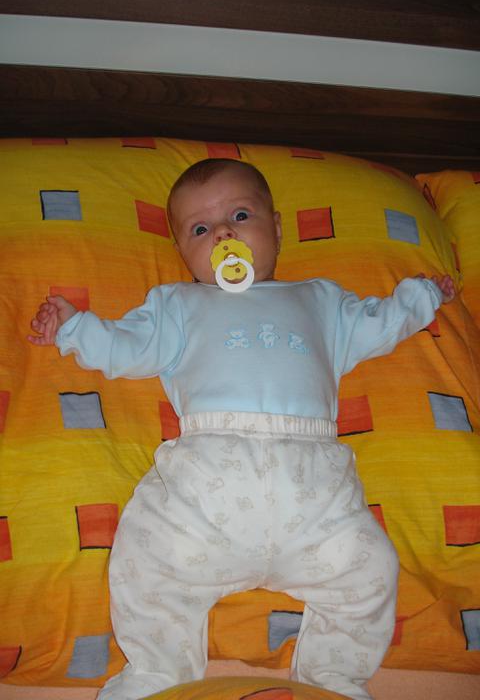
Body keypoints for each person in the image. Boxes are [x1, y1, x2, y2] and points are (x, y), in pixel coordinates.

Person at [28, 159, 455, 700]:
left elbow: (379, 323)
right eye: (200, 229)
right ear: (183, 252)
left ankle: (333, 679)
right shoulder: (178, 305)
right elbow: (126, 347)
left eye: (240, 215)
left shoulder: (320, 301)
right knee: (147, 561)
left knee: (369, 568)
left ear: (276, 228)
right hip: (207, 486)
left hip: (314, 494)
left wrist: (421, 299)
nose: (223, 235)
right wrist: (74, 327)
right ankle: (158, 674)